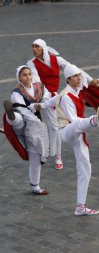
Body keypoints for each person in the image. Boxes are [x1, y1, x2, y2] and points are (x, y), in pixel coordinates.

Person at [27, 39, 96, 170]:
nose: (34, 49)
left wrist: (91, 79)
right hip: (43, 95)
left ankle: (56, 155)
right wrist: (49, 97)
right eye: (33, 47)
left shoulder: (56, 60)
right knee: (51, 126)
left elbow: (73, 69)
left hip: (56, 95)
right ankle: (50, 153)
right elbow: (38, 82)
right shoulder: (31, 63)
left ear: (43, 48)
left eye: (37, 46)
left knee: (55, 126)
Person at [54, 64, 99, 216]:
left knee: (85, 168)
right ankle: (95, 120)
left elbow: (90, 79)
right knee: (78, 123)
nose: (79, 78)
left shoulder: (77, 89)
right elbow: (74, 120)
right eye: (75, 76)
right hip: (66, 131)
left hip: (78, 133)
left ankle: (80, 207)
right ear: (68, 79)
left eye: (79, 75)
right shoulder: (65, 97)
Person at [3, 65, 57, 195]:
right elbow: (23, 109)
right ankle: (11, 117)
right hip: (25, 121)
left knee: (35, 156)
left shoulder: (39, 87)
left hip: (34, 127)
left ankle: (35, 187)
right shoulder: (16, 92)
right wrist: (34, 106)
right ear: (19, 78)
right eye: (24, 75)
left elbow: (46, 97)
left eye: (29, 74)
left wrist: (44, 102)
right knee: (19, 120)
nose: (27, 77)